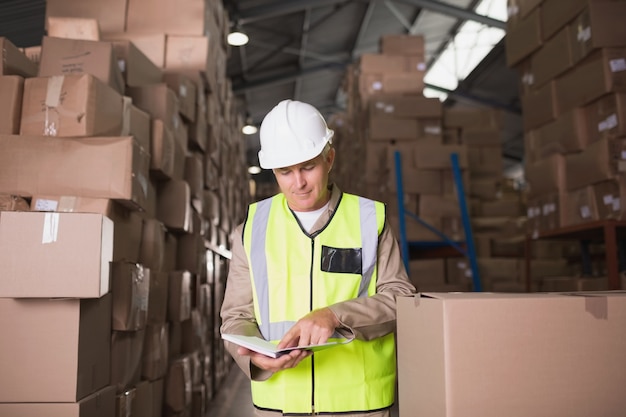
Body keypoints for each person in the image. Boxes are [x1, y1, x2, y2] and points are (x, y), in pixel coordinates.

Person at [220, 99, 417, 417]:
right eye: (285, 171)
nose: (298, 182)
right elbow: (235, 317)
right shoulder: (251, 229)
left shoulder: (370, 219)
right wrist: (253, 358)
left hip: (358, 403)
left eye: (308, 167)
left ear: (329, 158)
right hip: (279, 402)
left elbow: (402, 301)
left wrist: (335, 316)